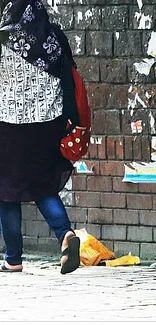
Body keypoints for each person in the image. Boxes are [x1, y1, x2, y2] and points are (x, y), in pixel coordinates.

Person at [0, 0, 80, 274]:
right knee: (43, 185)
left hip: (8, 125)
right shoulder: (53, 37)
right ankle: (65, 235)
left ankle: (13, 258)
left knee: (6, 190)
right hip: (49, 124)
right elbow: (69, 75)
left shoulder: (2, 38)